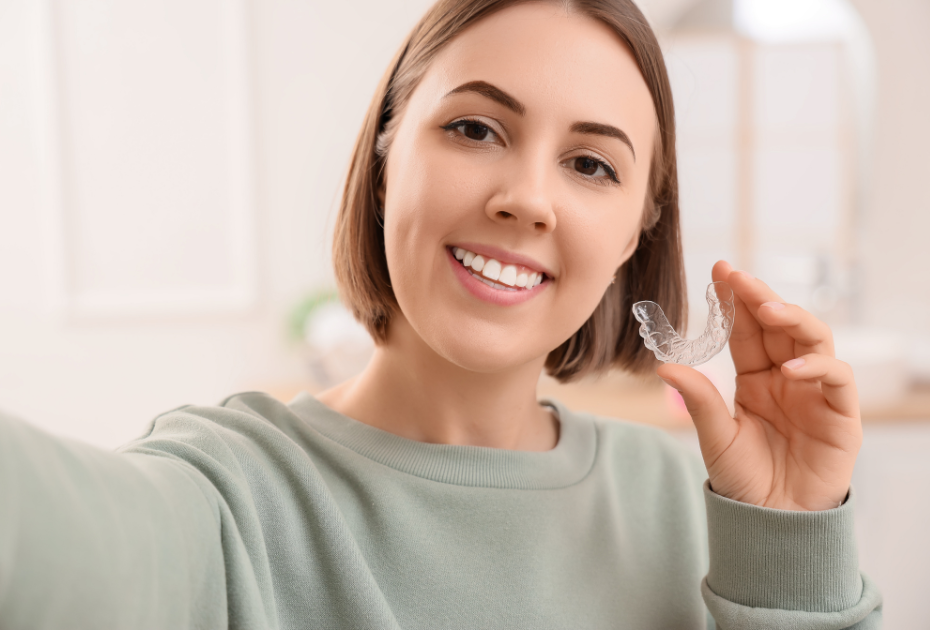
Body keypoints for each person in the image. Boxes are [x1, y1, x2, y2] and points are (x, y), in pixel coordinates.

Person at [0, 0, 882, 628]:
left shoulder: (692, 507)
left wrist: (790, 555)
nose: (529, 199)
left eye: (591, 165)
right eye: (475, 129)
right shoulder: (227, 495)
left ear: (633, 235)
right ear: (388, 157)